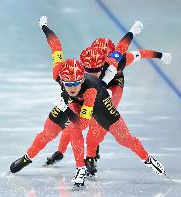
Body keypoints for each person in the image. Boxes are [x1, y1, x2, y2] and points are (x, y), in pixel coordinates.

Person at [10, 16, 167, 187]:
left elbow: (83, 123)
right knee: (49, 131)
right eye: (68, 84)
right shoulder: (59, 73)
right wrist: (44, 27)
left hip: (100, 103)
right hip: (78, 103)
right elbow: (56, 47)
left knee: (120, 138)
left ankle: (145, 159)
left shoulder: (106, 71)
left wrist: (140, 37)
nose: (71, 88)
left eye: (75, 84)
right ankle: (40, 159)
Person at [46, 42, 172, 177]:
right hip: (90, 94)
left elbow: (137, 52)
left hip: (108, 93)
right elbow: (57, 51)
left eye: (96, 69)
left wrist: (161, 55)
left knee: (100, 129)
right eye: (88, 69)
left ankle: (91, 156)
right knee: (74, 124)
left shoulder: (116, 62)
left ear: (104, 63)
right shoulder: (74, 74)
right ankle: (67, 153)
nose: (92, 73)